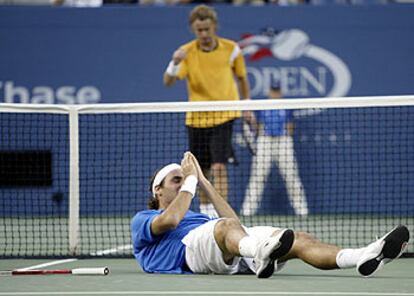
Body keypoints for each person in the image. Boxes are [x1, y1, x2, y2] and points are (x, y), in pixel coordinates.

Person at [130, 151, 409, 278]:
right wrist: (190, 182)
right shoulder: (143, 218)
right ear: (158, 191)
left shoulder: (198, 217)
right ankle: (261, 253)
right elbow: (170, 220)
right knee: (226, 227)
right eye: (175, 180)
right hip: (187, 256)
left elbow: (235, 224)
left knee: (298, 239)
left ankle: (362, 256)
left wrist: (202, 180)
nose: (182, 182)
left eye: (182, 179)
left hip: (230, 248)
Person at [163, 5, 256, 217]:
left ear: (214, 26)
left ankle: (222, 217)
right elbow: (168, 81)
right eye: (199, 30)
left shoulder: (232, 49)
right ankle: (207, 216)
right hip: (197, 118)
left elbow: (241, 78)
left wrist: (247, 105)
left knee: (219, 167)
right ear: (193, 30)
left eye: (207, 29)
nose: (204, 34)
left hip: (224, 115)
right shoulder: (186, 52)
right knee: (201, 172)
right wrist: (174, 62)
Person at [241, 82, 309, 216]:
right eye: (273, 91)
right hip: (265, 141)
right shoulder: (262, 106)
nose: (275, 94)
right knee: (258, 176)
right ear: (269, 92)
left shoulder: (287, 107)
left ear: (281, 93)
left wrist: (285, 137)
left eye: (277, 91)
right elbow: (257, 125)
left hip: (283, 141)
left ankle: (302, 211)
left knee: (291, 176)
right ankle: (247, 211)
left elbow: (290, 125)